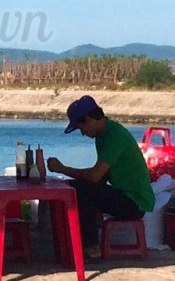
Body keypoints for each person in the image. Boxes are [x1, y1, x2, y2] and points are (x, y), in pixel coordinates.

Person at [46, 94, 155, 250]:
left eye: (81, 128)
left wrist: (62, 169)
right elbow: (101, 175)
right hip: (124, 195)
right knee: (79, 188)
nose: (83, 133)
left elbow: (95, 175)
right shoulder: (103, 135)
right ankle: (78, 241)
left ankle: (91, 246)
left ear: (89, 120)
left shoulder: (115, 135)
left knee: (78, 189)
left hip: (135, 202)